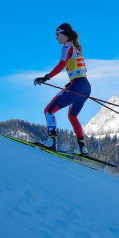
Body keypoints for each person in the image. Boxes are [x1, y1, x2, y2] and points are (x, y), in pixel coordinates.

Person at [33, 23, 91, 155]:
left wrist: (46, 77)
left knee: (48, 111)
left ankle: (52, 142)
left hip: (76, 86)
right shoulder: (77, 48)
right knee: (72, 116)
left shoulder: (67, 46)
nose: (56, 38)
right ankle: (82, 148)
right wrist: (71, 82)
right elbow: (80, 69)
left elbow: (61, 64)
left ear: (63, 34)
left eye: (57, 34)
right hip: (85, 87)